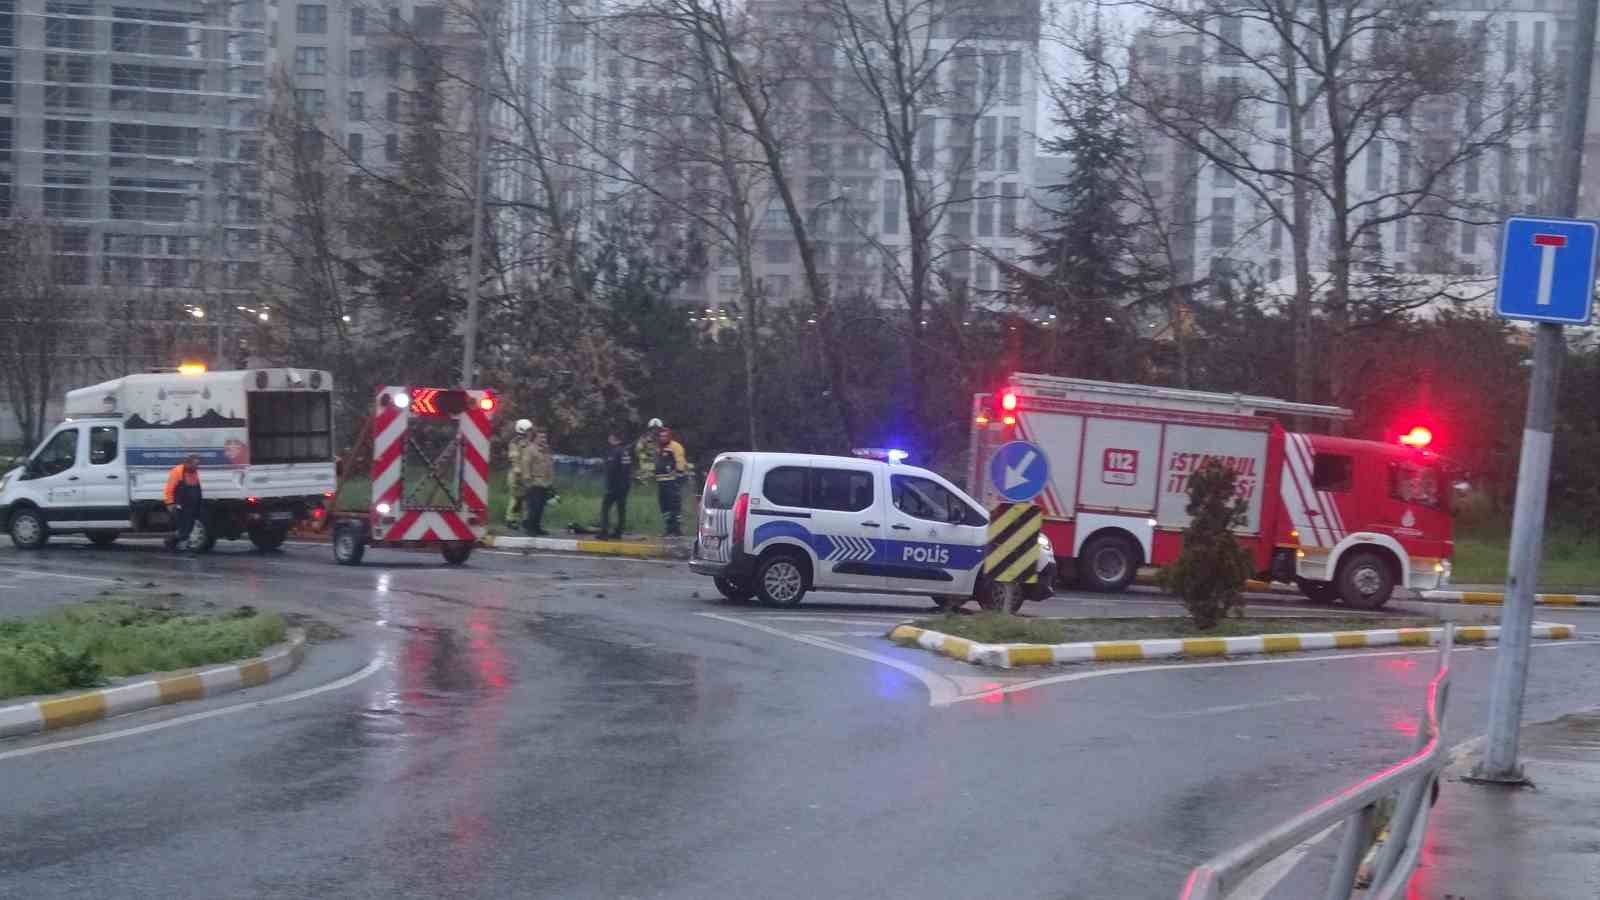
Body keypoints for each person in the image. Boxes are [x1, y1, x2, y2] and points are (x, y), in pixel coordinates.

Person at [163, 454, 204, 551]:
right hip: (180, 504)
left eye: (198, 464)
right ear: (187, 463)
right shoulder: (177, 472)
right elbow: (169, 489)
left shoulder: (194, 472)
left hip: (192, 505)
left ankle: (171, 543)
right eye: (195, 464)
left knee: (189, 526)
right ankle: (185, 547)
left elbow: (196, 488)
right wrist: (170, 503)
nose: (197, 466)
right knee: (184, 527)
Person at [598, 430, 633, 540]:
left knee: (605, 508)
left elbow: (612, 470)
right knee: (621, 509)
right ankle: (618, 532)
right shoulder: (625, 451)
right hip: (625, 485)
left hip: (615, 486)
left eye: (610, 437)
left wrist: (610, 486)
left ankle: (604, 532)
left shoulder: (615, 452)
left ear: (613, 438)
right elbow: (627, 469)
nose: (609, 439)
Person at [520, 427, 555, 536]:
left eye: (545, 437)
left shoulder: (546, 449)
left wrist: (551, 481)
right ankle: (530, 529)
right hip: (534, 482)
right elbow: (526, 464)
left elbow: (549, 464)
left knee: (540, 507)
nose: (543, 439)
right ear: (535, 438)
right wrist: (527, 480)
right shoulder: (530, 449)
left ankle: (537, 527)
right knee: (533, 507)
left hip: (544, 482)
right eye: (541, 437)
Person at [653, 426, 688, 537]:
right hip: (661, 481)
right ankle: (668, 528)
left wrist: (679, 476)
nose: (663, 438)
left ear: (669, 436)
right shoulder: (659, 447)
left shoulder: (676, 447)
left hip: (671, 480)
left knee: (674, 505)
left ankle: (676, 529)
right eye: (661, 436)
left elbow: (680, 461)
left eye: (665, 436)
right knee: (664, 506)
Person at [505, 420, 534, 529]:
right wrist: (517, 470)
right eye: (529, 430)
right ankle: (511, 520)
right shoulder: (515, 443)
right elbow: (514, 457)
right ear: (523, 430)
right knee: (516, 498)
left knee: (526, 498)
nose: (531, 432)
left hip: (526, 474)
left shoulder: (529, 442)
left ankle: (524, 520)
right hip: (516, 474)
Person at [633, 418, 664, 486]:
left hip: (658, 460)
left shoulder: (662, 438)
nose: (655, 430)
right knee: (650, 470)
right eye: (653, 428)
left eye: (657, 428)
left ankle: (641, 477)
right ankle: (640, 477)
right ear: (650, 429)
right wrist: (646, 457)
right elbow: (638, 450)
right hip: (646, 461)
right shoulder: (644, 438)